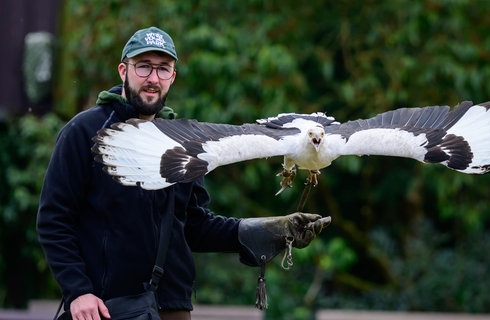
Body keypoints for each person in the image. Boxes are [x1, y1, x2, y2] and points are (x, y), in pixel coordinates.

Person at [36, 26, 330, 320]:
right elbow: (54, 219)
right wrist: (78, 291)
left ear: (172, 77)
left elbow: (194, 226)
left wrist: (267, 231)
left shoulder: (184, 140)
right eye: (144, 67)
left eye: (163, 69)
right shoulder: (85, 132)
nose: (153, 78)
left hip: (171, 308)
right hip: (105, 308)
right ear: (123, 70)